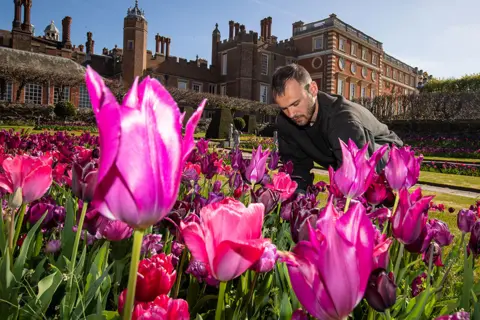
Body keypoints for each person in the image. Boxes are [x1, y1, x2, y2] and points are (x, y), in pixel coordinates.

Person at [271, 63, 403, 194]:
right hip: (343, 160)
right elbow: (296, 165)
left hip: (386, 155)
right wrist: (297, 199)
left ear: (313, 89)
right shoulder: (285, 121)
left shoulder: (343, 120)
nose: (291, 114)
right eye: (284, 108)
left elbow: (355, 175)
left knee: (354, 184)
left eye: (296, 103)